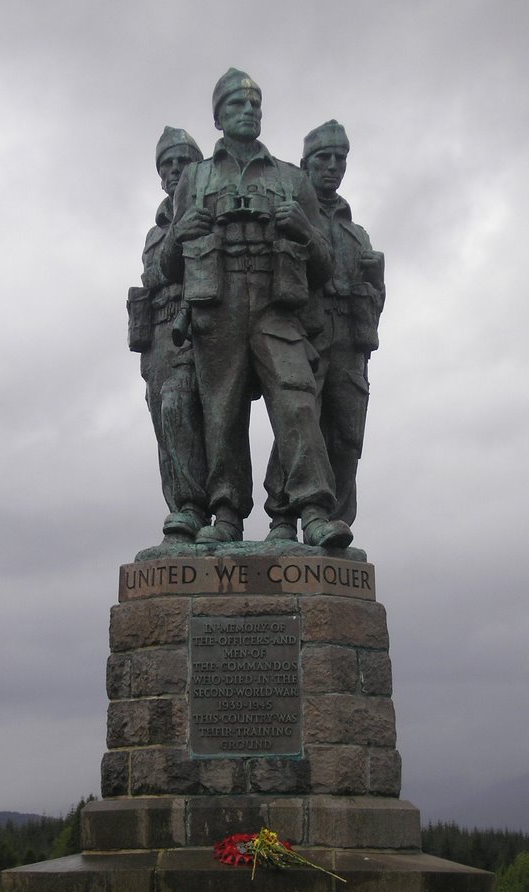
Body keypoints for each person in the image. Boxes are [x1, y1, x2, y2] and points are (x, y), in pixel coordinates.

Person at [160, 70, 352, 548]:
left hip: (276, 309)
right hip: (217, 308)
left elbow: (324, 269)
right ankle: (225, 513)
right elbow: (168, 266)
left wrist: (304, 232)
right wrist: (182, 233)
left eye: (254, 105)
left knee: (297, 400)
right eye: (236, 105)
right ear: (219, 116)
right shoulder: (196, 177)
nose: (248, 112)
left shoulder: (291, 178)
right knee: (220, 414)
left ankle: (312, 511)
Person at [265, 120, 385, 536]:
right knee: (298, 423)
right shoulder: (291, 216)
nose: (333, 166)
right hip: (305, 337)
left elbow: (377, 302)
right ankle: (282, 515)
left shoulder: (357, 235)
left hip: (350, 344)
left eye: (340, 159)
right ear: (305, 165)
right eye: (323, 158)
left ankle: (336, 522)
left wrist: (378, 280)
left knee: (348, 439)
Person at [127, 127, 209, 541]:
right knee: (165, 423)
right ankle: (181, 511)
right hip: (159, 334)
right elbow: (156, 272)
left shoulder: (207, 211)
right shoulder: (156, 231)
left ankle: (197, 507)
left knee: (183, 409)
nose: (175, 170)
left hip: (200, 328)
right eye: (167, 164)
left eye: (182, 162)